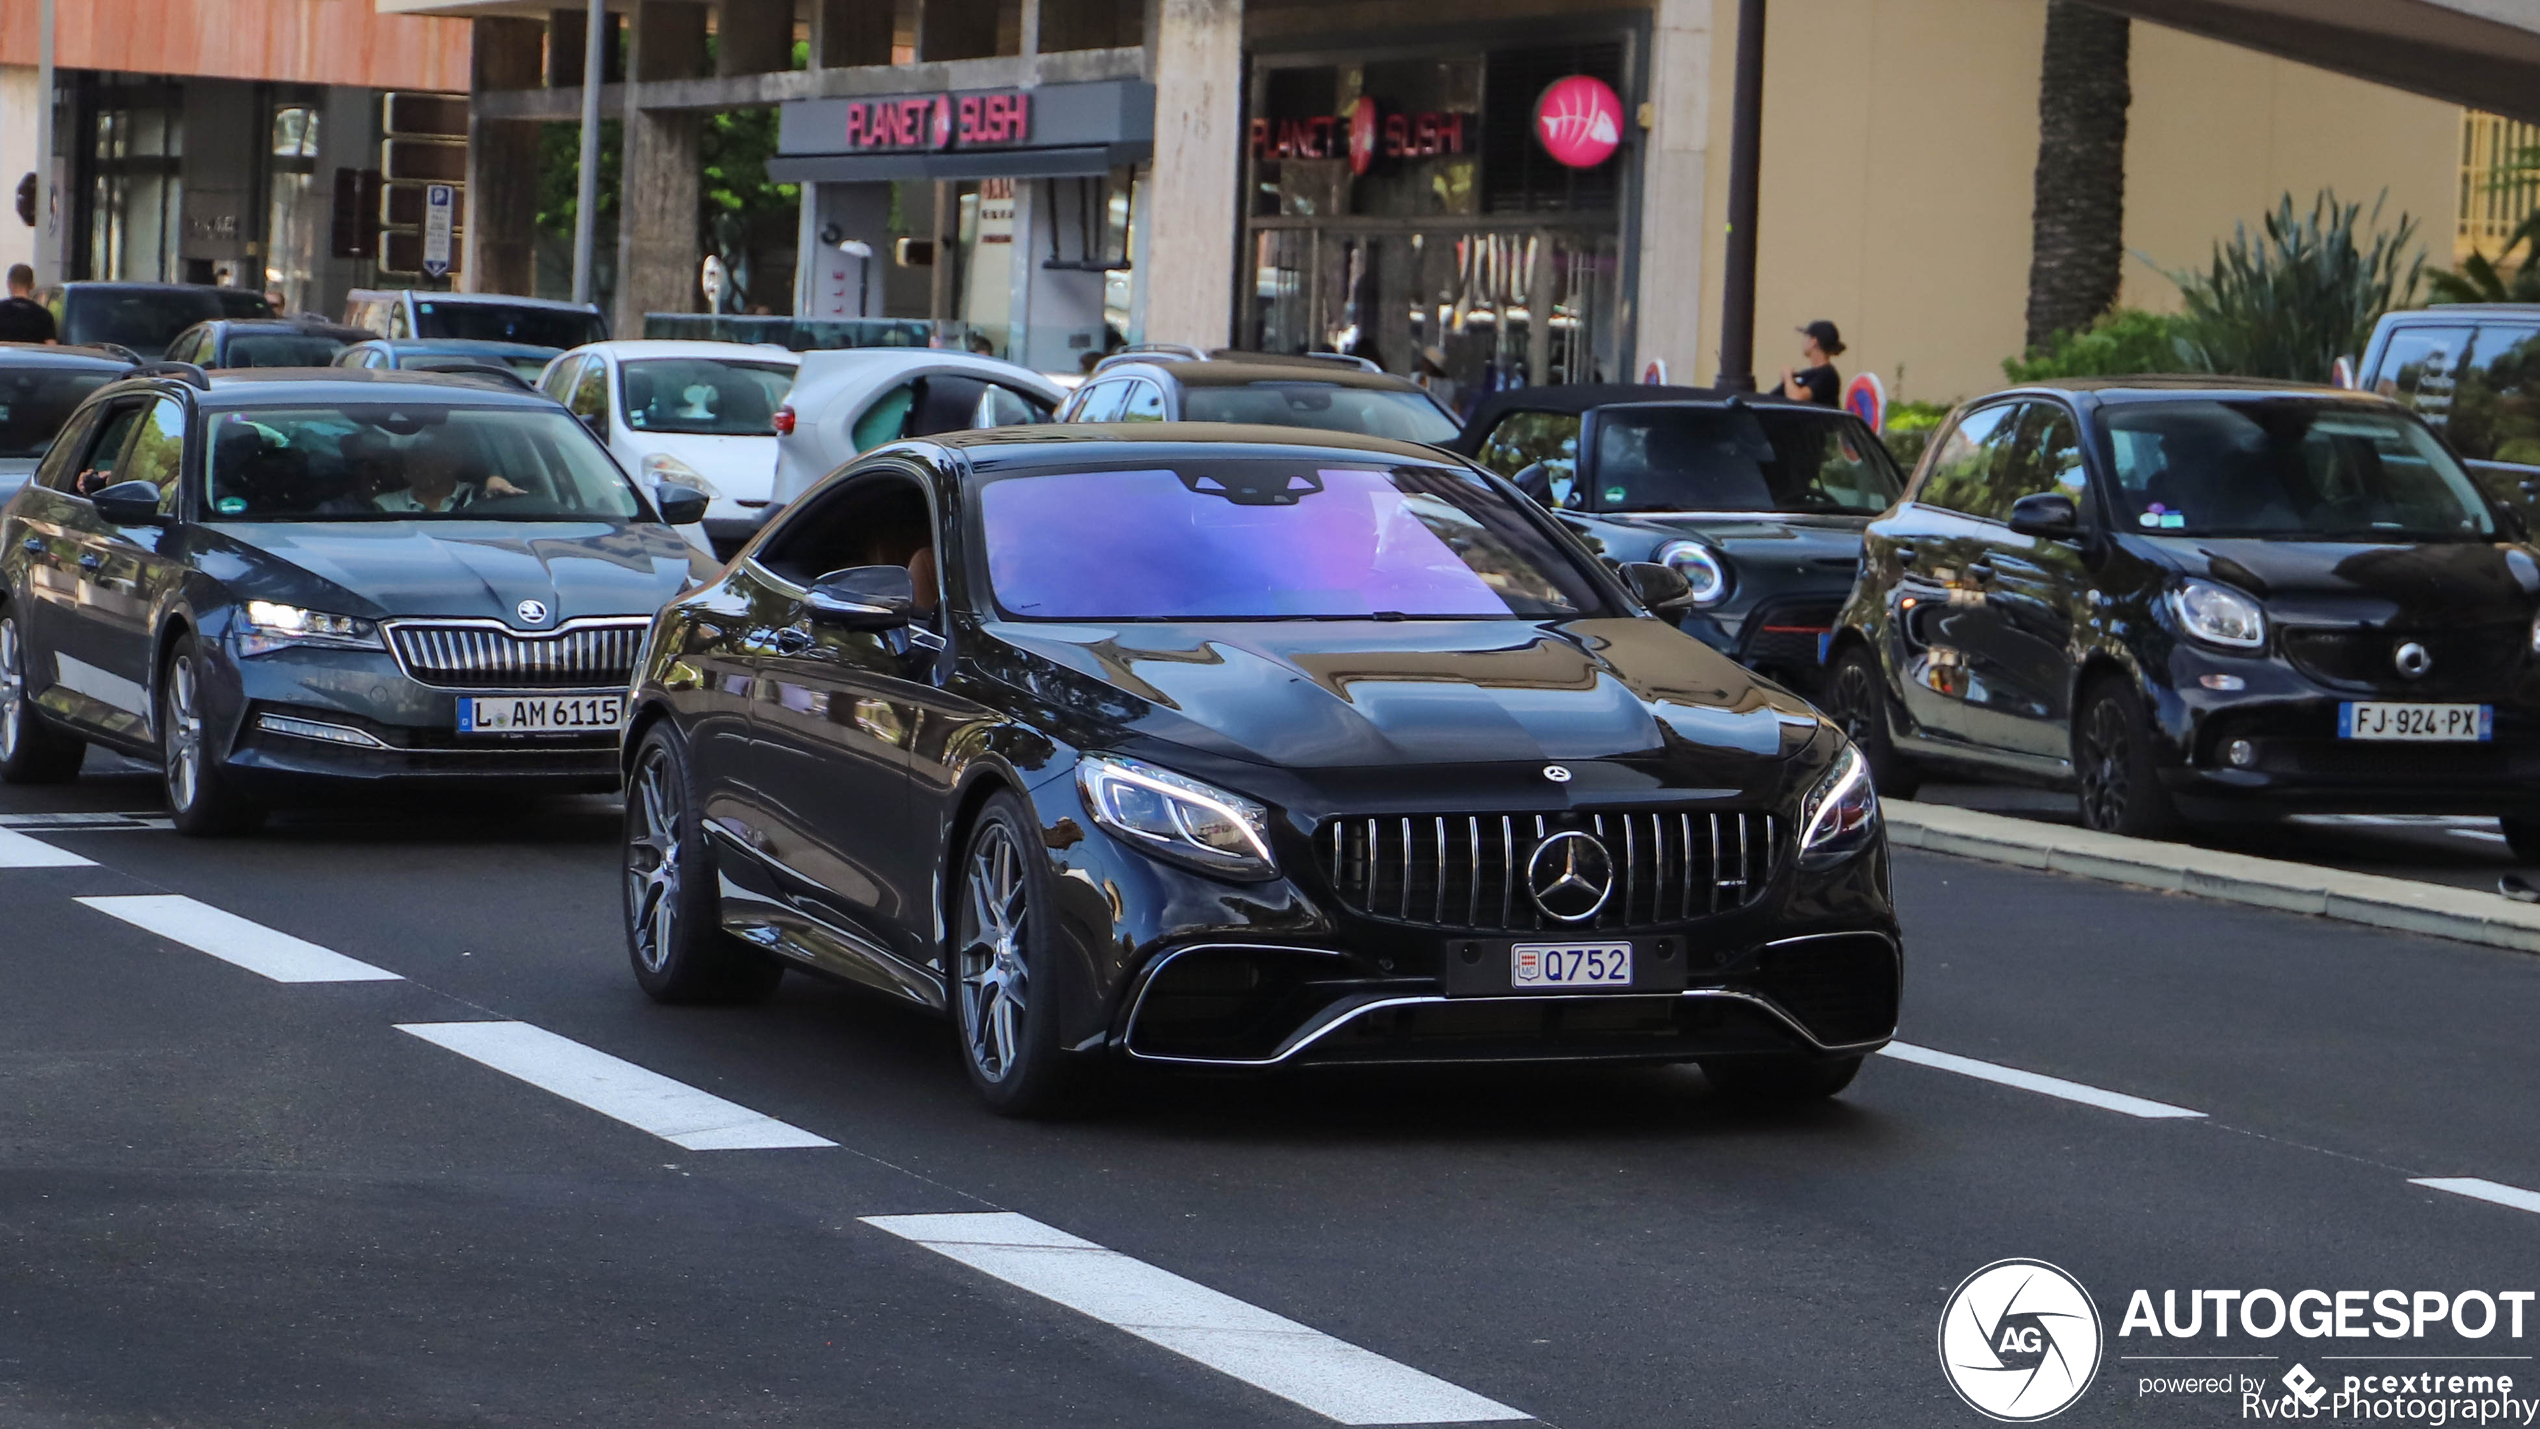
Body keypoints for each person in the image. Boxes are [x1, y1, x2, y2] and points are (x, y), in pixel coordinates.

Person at [1780, 320, 1845, 405]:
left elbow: (1796, 398)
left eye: (1806, 337)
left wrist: (1787, 377)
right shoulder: (1809, 374)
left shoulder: (1827, 374)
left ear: (1814, 342)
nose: (1803, 341)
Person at [0, 265, 56, 344]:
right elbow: (51, 349)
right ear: (32, 285)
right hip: (34, 356)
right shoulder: (44, 315)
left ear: (9, 284)